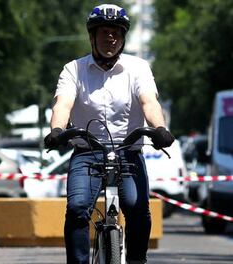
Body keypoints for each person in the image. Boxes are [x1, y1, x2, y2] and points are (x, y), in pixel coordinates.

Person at [44, 4, 174, 264]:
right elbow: (63, 104)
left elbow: (149, 102)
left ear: (123, 37)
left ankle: (137, 259)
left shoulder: (138, 68)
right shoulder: (74, 70)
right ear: (92, 36)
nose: (110, 38)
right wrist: (57, 131)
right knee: (78, 209)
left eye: (116, 33)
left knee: (138, 209)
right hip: (87, 152)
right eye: (104, 32)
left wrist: (160, 129)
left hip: (128, 152)